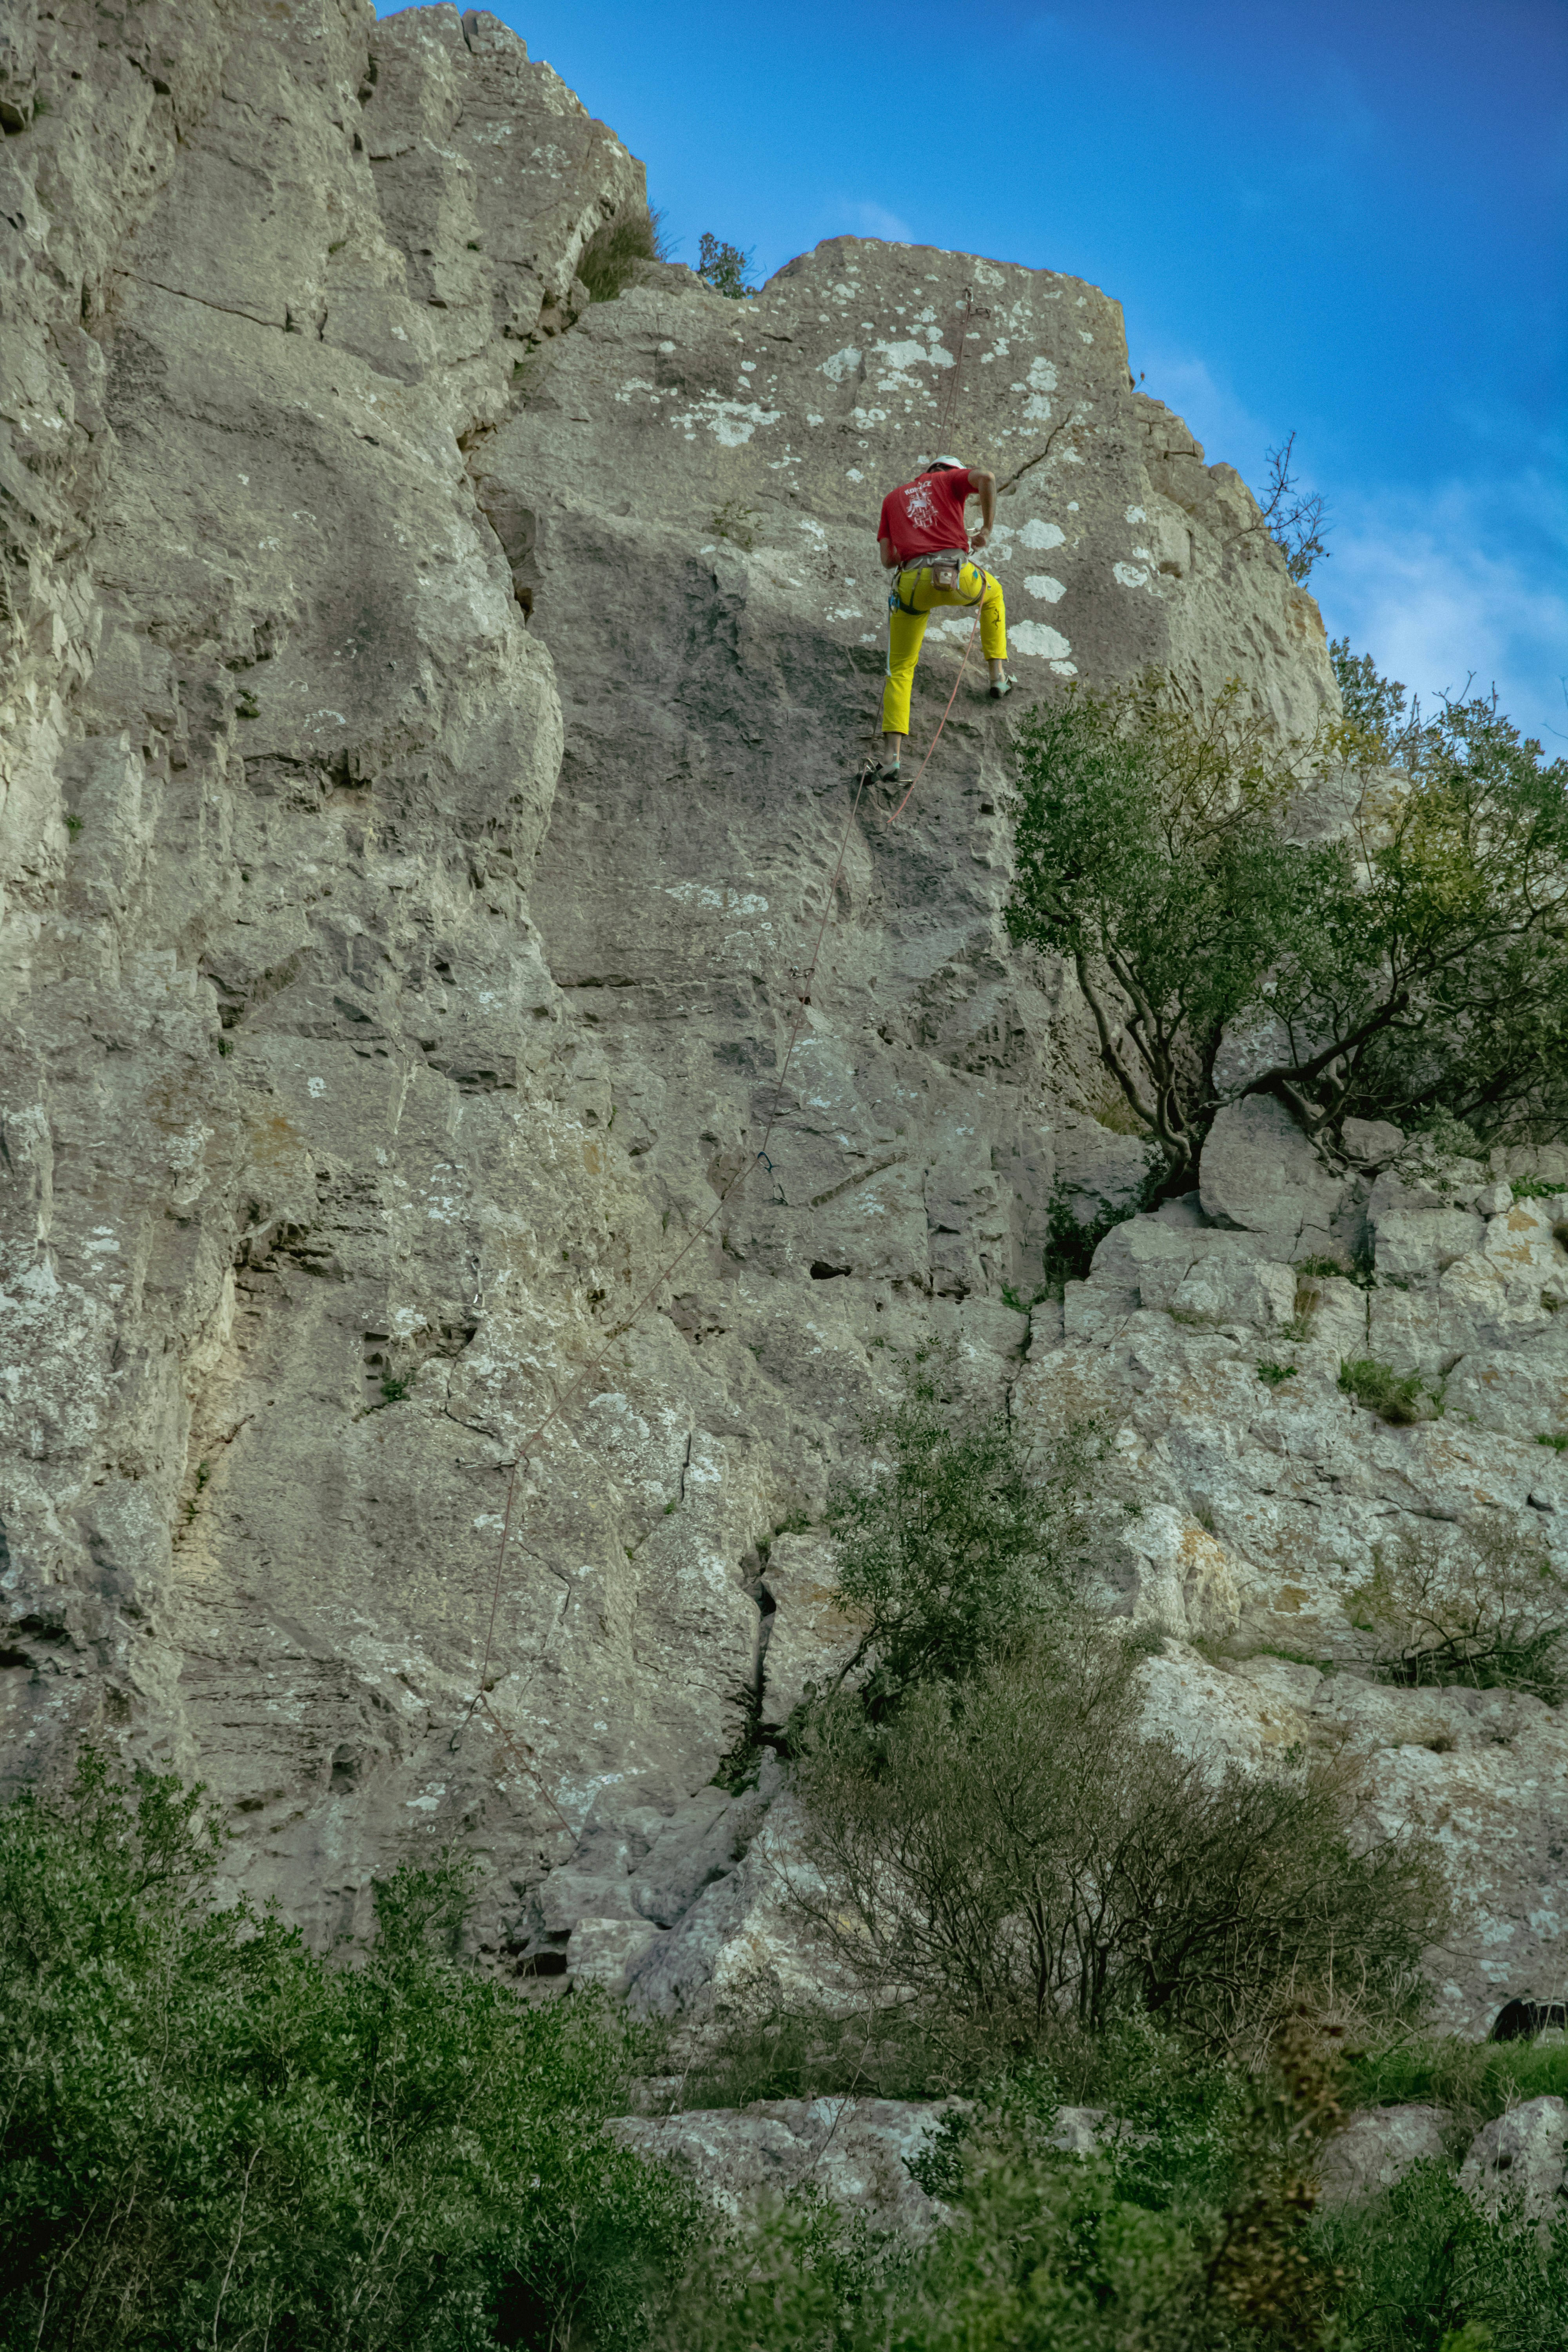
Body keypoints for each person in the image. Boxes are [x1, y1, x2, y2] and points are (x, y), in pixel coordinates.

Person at [873, 456, 1012, 784]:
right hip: (954, 575)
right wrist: (986, 531)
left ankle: (891, 758)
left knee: (900, 668)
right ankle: (998, 677)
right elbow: (988, 478)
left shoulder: (892, 499)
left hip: (912, 584)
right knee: (994, 594)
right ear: (952, 471)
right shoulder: (950, 480)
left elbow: (888, 560)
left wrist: (916, 541)